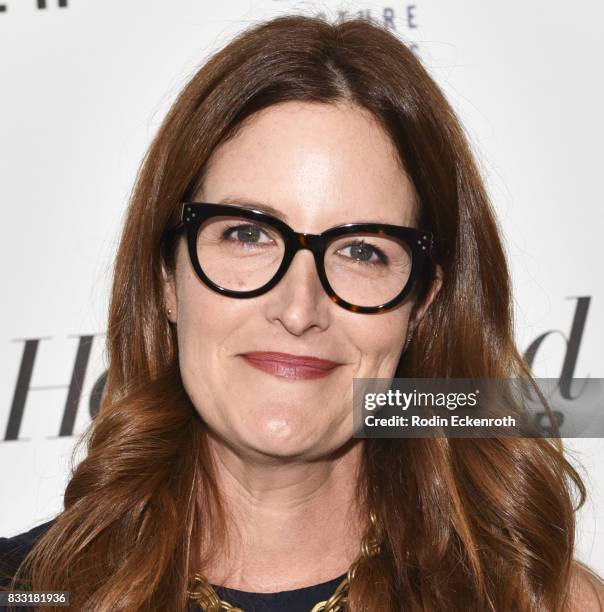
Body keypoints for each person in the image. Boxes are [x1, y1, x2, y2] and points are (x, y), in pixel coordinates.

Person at [1, 12, 603, 612]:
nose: (298, 308)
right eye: (246, 234)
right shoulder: (27, 595)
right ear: (166, 275)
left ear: (423, 303)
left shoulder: (538, 601)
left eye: (361, 251)